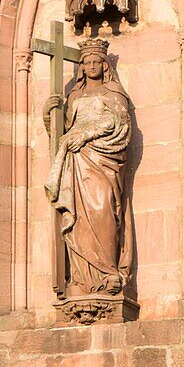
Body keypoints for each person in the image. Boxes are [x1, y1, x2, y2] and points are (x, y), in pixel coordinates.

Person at [43, 36, 133, 301]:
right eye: (88, 61)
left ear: (105, 65)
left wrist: (87, 135)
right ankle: (83, 277)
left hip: (103, 162)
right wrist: (49, 115)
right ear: (82, 66)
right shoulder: (74, 96)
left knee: (103, 208)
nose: (92, 65)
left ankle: (108, 270)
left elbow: (120, 125)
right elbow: (61, 129)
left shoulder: (113, 95)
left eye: (97, 61)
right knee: (79, 218)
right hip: (76, 162)